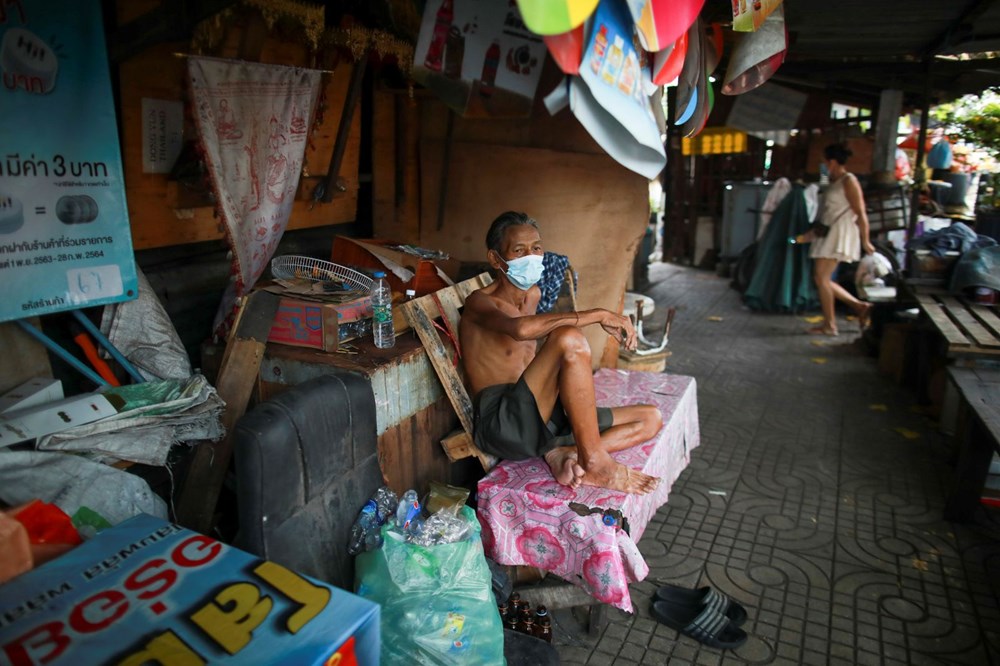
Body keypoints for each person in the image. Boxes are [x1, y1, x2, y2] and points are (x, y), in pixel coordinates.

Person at [459, 211, 663, 495]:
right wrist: (600, 315)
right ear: (495, 259)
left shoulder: (533, 295)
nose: (531, 257)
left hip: (541, 416)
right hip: (503, 424)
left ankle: (566, 452)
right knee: (569, 338)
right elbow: (520, 330)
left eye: (536, 248)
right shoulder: (479, 302)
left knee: (651, 418)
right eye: (519, 250)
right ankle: (594, 462)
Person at [807, 143, 875, 336]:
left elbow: (861, 213)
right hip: (829, 231)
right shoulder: (832, 180)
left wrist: (865, 240)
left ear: (832, 162)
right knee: (821, 278)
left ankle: (830, 325)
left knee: (821, 278)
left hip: (840, 233)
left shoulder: (849, 180)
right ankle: (859, 306)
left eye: (824, 161)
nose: (821, 164)